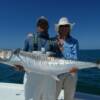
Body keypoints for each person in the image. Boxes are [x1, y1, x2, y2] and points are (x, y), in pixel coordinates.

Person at [45, 17, 79, 100]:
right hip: (56, 73)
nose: (64, 28)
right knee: (52, 96)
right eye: (62, 26)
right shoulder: (52, 40)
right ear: (58, 29)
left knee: (69, 97)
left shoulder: (74, 41)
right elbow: (45, 51)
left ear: (69, 28)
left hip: (71, 73)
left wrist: (62, 49)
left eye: (66, 26)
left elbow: (75, 59)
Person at [24, 16, 50, 100]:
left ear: (48, 27)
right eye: (40, 24)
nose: (42, 26)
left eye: (44, 24)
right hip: (31, 78)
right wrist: (18, 66)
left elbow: (57, 58)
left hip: (47, 79)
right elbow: (22, 55)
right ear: (37, 26)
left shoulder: (53, 42)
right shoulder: (29, 39)